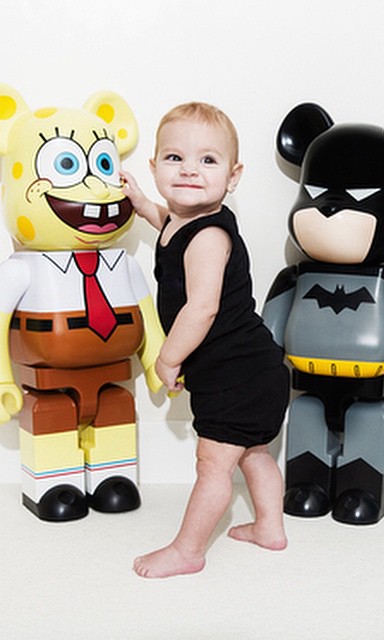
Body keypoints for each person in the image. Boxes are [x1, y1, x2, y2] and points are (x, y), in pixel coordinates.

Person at [121, 102, 289, 579]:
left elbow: (202, 308)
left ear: (233, 177)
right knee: (254, 452)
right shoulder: (184, 223)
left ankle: (187, 551)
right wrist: (142, 205)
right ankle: (270, 528)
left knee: (213, 466)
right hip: (256, 370)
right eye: (174, 158)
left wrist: (167, 358)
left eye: (208, 160)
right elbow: (168, 227)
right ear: (155, 166)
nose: (189, 170)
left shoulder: (210, 238)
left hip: (238, 375)